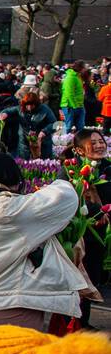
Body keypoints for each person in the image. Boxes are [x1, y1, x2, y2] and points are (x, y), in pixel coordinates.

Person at [0, 151, 87, 331]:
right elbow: (64, 199)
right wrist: (64, 178)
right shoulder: (3, 209)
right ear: (7, 175)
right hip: (9, 302)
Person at [64, 128, 111, 327]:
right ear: (79, 150)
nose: (100, 145)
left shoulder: (108, 168)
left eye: (101, 141)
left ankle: (84, 321)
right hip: (80, 234)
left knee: (93, 276)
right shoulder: (70, 170)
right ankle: (72, 322)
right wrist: (96, 212)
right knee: (78, 278)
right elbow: (65, 198)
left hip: (104, 232)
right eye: (93, 142)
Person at [0, 87, 57, 160]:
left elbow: (54, 124)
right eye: (27, 105)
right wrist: (4, 114)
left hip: (43, 141)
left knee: (44, 164)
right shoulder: (20, 109)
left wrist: (44, 131)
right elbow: (8, 111)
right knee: (24, 164)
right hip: (24, 141)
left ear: (36, 104)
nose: (29, 107)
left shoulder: (45, 109)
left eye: (32, 105)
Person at [61, 61, 86, 132]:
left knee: (80, 127)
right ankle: (65, 141)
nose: (85, 69)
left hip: (78, 105)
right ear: (80, 68)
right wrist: (75, 106)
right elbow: (69, 93)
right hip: (70, 106)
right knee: (68, 127)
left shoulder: (77, 76)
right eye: (84, 67)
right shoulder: (71, 77)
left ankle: (79, 142)